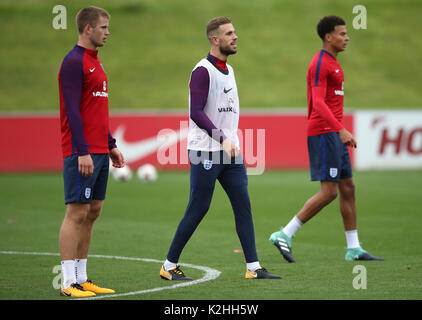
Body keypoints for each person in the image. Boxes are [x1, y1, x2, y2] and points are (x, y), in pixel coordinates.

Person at [160, 17, 280, 280]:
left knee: (243, 206)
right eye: (229, 33)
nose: (235, 37)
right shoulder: (202, 70)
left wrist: (230, 141)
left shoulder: (229, 70)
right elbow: (195, 112)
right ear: (215, 39)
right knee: (198, 207)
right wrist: (220, 137)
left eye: (235, 32)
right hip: (205, 150)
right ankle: (169, 266)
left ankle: (253, 267)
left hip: (230, 152)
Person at [269, 16, 383, 263]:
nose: (347, 37)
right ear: (328, 37)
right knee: (329, 192)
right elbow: (318, 103)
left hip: (333, 133)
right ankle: (284, 234)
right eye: (342, 33)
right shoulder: (320, 64)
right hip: (324, 132)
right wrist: (340, 129)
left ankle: (353, 248)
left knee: (348, 188)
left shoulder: (334, 63)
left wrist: (339, 130)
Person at [58, 6, 125, 297]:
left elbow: (95, 112)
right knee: (76, 213)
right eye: (103, 27)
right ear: (88, 29)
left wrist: (110, 144)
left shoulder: (97, 63)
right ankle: (67, 282)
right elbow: (72, 111)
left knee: (93, 211)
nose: (107, 32)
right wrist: (83, 151)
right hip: (81, 151)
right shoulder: (73, 62)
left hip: (98, 150)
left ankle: (82, 277)